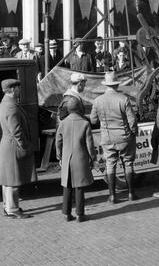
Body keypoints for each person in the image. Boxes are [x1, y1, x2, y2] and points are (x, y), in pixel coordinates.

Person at [90, 72, 138, 203]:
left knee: (110, 164)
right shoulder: (124, 99)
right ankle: (131, 194)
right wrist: (134, 132)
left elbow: (93, 120)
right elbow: (132, 120)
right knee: (128, 163)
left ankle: (112, 196)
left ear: (106, 85)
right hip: (124, 137)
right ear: (116, 84)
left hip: (107, 137)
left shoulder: (98, 100)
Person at [0, 78, 35, 219]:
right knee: (13, 179)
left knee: (7, 179)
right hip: (13, 145)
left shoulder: (6, 103)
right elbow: (16, 130)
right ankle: (12, 209)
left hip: (7, 144)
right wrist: (24, 145)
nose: (19, 90)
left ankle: (8, 206)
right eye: (17, 88)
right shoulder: (11, 106)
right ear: (12, 90)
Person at [56, 93, 96, 223]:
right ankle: (80, 214)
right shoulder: (85, 123)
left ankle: (66, 213)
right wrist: (92, 157)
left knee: (67, 186)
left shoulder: (63, 123)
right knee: (79, 187)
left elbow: (58, 141)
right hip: (81, 158)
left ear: (68, 109)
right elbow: (90, 144)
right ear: (79, 108)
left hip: (67, 158)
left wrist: (59, 156)